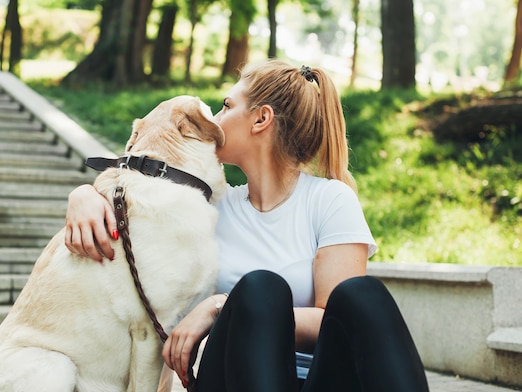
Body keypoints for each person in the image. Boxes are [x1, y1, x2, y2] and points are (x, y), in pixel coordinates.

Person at [64, 59, 429, 392]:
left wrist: (219, 307)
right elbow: (139, 202)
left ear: (261, 119)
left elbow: (334, 321)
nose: (216, 119)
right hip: (230, 379)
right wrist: (84, 195)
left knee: (362, 295)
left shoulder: (331, 200)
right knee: (260, 288)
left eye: (226, 106)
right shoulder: (207, 208)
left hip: (320, 381)